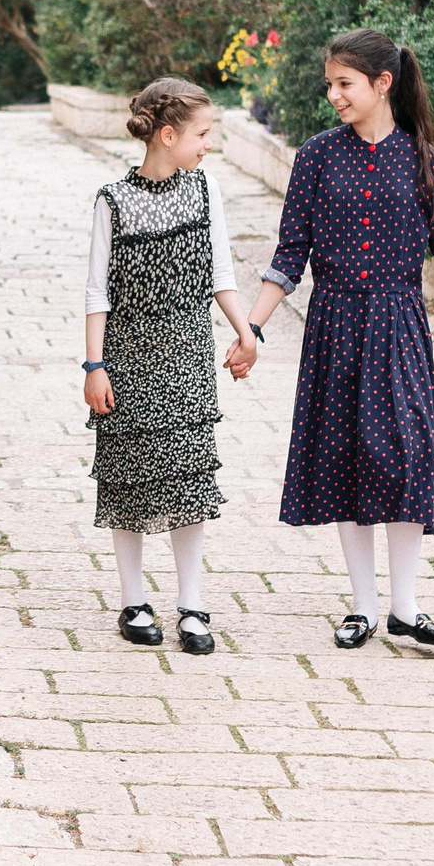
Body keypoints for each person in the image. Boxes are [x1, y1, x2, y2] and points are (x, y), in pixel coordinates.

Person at [242, 29, 434, 651]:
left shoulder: (422, 159)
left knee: (406, 458)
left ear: (382, 84)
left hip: (399, 327)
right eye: (329, 84)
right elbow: (290, 253)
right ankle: (364, 607)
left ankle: (406, 607)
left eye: (344, 84)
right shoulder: (317, 156)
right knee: (346, 459)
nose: (333, 95)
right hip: (334, 327)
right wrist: (253, 328)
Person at [85, 78, 258, 657]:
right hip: (127, 358)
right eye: (202, 133)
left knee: (189, 479)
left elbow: (221, 274)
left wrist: (245, 332)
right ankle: (133, 601)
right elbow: (97, 291)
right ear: (167, 135)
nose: (209, 144)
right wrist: (94, 366)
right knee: (128, 477)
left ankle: (191, 604)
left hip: (188, 356)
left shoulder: (205, 190)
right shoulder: (112, 201)